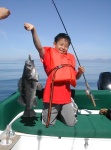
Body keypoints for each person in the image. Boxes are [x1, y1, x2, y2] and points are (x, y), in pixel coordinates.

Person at [24, 22, 85, 126]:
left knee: (71, 123)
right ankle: (48, 111)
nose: (63, 47)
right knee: (48, 124)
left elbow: (75, 77)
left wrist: (79, 72)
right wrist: (33, 30)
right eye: (61, 44)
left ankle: (67, 108)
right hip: (51, 97)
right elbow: (38, 47)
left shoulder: (70, 58)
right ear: (54, 44)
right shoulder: (48, 55)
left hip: (66, 98)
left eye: (66, 46)